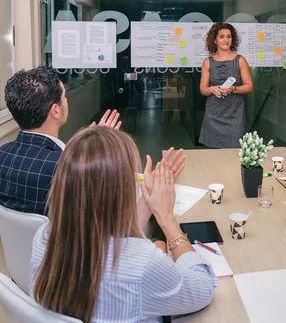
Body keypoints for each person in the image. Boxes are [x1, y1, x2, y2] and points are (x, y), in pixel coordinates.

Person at [30, 127, 216, 322]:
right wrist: (167, 218)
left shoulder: (43, 238)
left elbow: (110, 237)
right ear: (120, 192)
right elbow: (202, 290)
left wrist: (148, 199)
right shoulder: (143, 264)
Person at [0, 66, 185, 216]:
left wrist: (88, 143)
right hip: (77, 262)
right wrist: (151, 193)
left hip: (36, 256)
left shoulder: (2, 154)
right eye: (64, 97)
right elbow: (119, 230)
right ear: (55, 110)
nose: (66, 101)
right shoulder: (70, 169)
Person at [199, 22, 253, 148]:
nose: (226, 40)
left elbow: (249, 86)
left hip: (235, 115)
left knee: (235, 154)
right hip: (213, 116)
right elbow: (203, 89)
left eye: (229, 36)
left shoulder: (240, 60)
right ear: (214, 40)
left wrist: (233, 89)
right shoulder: (207, 62)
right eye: (222, 37)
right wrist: (212, 89)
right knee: (214, 158)